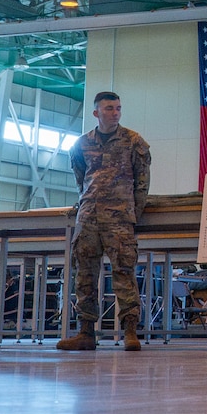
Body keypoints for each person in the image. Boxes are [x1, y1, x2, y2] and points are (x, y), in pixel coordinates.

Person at [57, 91, 152, 352]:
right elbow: (81, 179)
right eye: (109, 108)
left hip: (120, 218)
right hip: (89, 216)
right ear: (96, 113)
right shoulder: (81, 144)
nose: (115, 113)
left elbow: (142, 183)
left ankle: (130, 332)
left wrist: (132, 213)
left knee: (124, 272)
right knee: (84, 275)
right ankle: (85, 332)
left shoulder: (133, 142)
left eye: (118, 108)